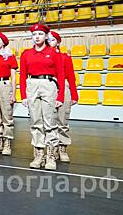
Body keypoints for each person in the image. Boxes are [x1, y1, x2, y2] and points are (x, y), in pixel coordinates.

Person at [20, 23, 65, 170]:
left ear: (46, 36)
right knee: (35, 121)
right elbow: (22, 75)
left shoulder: (53, 53)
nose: (37, 37)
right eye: (34, 34)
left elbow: (61, 74)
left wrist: (60, 97)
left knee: (49, 121)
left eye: (40, 34)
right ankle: (39, 154)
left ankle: (50, 155)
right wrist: (23, 96)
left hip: (48, 84)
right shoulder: (26, 53)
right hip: (32, 84)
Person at [48, 30, 79, 163]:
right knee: (50, 121)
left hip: (63, 86)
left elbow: (71, 76)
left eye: (53, 40)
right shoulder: (44, 57)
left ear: (58, 42)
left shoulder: (65, 57)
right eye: (48, 40)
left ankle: (62, 148)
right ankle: (52, 148)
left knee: (63, 119)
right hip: (49, 85)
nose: (50, 42)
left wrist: (74, 94)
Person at [0, 32, 18, 156]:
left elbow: (13, 77)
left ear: (3, 42)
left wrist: (14, 94)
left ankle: (7, 143)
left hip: (5, 84)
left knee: (7, 116)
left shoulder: (10, 57)